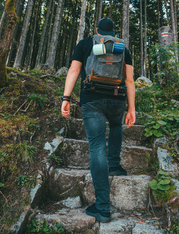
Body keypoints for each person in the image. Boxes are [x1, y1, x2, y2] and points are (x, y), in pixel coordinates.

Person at [61, 17, 135, 223]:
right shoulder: (122, 49)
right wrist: (132, 109)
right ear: (113, 32)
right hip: (117, 100)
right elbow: (129, 80)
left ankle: (103, 207)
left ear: (97, 31)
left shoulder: (86, 44)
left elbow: (74, 70)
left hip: (92, 99)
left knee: (96, 147)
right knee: (116, 125)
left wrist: (65, 98)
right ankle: (114, 165)